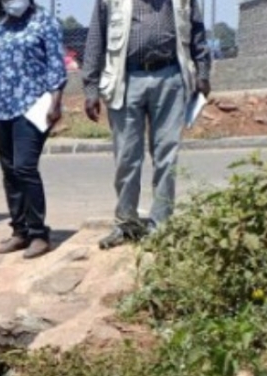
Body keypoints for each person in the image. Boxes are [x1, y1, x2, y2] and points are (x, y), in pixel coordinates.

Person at [81, 0, 211, 250]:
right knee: (127, 157)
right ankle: (126, 224)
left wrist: (203, 74)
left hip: (171, 78)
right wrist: (90, 88)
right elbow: (95, 40)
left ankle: (160, 227)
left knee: (166, 156)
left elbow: (197, 33)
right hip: (125, 80)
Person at [0, 0, 67, 259]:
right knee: (10, 172)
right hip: (1, 109)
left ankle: (39, 234)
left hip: (34, 106)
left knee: (25, 167)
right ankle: (20, 231)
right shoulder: (2, 28)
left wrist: (56, 102)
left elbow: (56, 65)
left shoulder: (45, 22)